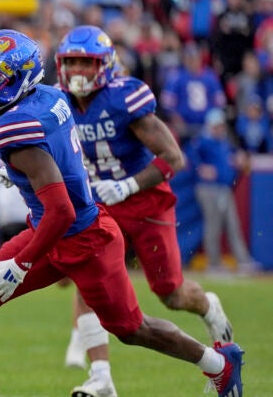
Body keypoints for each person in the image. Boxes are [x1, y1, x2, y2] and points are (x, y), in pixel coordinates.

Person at [0, 29, 244, 397]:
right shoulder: (47, 97)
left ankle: (221, 364)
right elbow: (56, 157)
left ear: (17, 80)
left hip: (84, 238)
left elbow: (61, 209)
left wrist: (21, 263)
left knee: (133, 329)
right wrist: (25, 175)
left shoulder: (18, 124)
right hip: (51, 228)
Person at [51, 25, 237, 396]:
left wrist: (128, 185)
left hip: (145, 202)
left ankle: (209, 307)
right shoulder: (58, 103)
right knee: (89, 278)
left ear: (103, 66)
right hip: (101, 203)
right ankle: (100, 377)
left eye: (85, 63)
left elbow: (174, 157)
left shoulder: (124, 98)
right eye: (70, 62)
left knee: (171, 293)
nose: (76, 71)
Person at [192, 108, 260, 274]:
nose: (220, 128)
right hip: (208, 188)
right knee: (213, 225)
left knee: (232, 224)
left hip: (223, 188)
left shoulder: (224, 141)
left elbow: (233, 157)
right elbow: (190, 158)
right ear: (211, 126)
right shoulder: (203, 140)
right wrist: (202, 167)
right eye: (217, 126)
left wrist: (237, 159)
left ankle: (242, 261)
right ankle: (213, 263)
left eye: (221, 126)